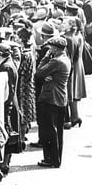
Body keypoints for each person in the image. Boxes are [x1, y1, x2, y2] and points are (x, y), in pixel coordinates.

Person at [35, 36, 71, 168]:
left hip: (51, 98)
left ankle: (51, 159)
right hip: (60, 98)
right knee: (56, 131)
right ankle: (55, 158)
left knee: (49, 130)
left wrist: (45, 57)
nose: (49, 49)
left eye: (51, 47)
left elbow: (39, 72)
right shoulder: (65, 59)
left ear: (55, 48)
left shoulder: (56, 61)